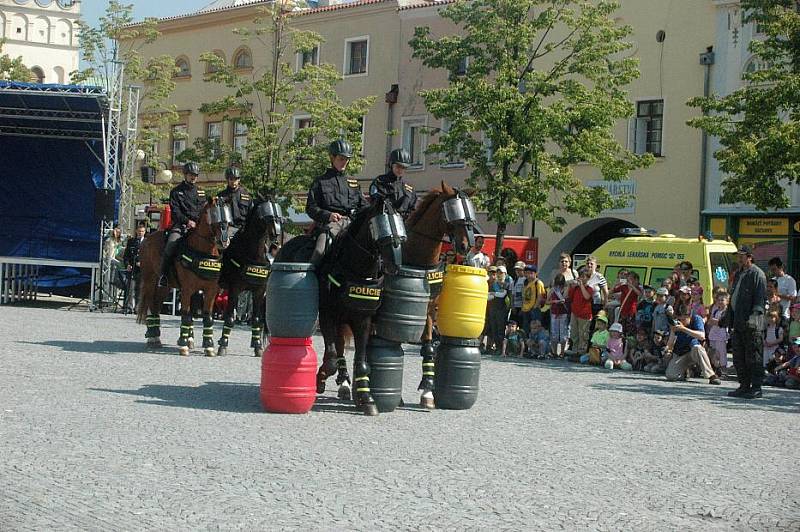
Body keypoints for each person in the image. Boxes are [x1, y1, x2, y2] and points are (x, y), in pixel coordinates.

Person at [306, 139, 366, 265]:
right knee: (320, 250)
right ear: (332, 157)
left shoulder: (353, 183)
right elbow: (311, 207)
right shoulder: (320, 181)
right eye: (341, 158)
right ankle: (310, 275)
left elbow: (364, 206)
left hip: (353, 223)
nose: (344, 162)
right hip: (330, 225)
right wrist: (328, 215)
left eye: (346, 159)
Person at [727, 245, 767, 399]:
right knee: (739, 356)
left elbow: (760, 299)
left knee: (754, 356)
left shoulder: (757, 274)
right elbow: (734, 296)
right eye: (738, 255)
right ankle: (744, 385)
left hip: (752, 323)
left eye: (742, 255)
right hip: (738, 321)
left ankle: (756, 387)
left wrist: (753, 318)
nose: (739, 258)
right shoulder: (739, 273)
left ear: (749, 256)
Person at [158, 162, 206, 287]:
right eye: (191, 175)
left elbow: (204, 211)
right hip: (182, 225)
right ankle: (163, 275)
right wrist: (187, 221)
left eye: (195, 175)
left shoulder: (202, 192)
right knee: (171, 244)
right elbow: (175, 212)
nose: (193, 177)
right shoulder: (176, 191)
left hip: (198, 226)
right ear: (185, 175)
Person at [663, 307, 722, 385]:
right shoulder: (675, 323)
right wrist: (667, 350)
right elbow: (671, 341)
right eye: (679, 319)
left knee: (697, 348)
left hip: (695, 351)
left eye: (684, 320)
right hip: (681, 353)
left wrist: (683, 329)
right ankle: (686, 372)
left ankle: (712, 376)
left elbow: (702, 336)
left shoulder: (696, 319)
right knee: (670, 376)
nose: (681, 322)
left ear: (689, 317)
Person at [369, 148, 417, 218]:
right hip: (384, 221)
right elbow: (375, 203)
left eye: (403, 168)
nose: (400, 170)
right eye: (398, 166)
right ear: (391, 165)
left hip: (404, 224)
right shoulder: (380, 182)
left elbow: (413, 209)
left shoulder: (409, 189)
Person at [216, 166, 252, 235]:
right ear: (227, 180)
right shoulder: (221, 196)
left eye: (235, 179)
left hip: (244, 230)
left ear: (239, 180)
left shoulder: (247, 195)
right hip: (228, 231)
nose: (233, 182)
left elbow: (251, 214)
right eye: (231, 179)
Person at [567, 268, 594, 358]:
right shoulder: (576, 288)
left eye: (583, 277)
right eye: (580, 276)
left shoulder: (589, 288)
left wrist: (581, 285)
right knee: (574, 333)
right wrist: (571, 286)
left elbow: (586, 297)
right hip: (575, 313)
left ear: (588, 278)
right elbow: (569, 297)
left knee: (583, 334)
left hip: (584, 315)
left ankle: (581, 352)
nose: (581, 278)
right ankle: (575, 351)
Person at [122, 223, 147, 312]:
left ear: (145, 232)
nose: (141, 233)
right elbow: (126, 256)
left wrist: (143, 263)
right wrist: (127, 264)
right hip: (132, 269)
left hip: (142, 270)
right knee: (130, 289)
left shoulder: (148, 242)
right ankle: (128, 307)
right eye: (139, 231)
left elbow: (150, 257)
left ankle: (138, 308)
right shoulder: (131, 241)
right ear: (136, 231)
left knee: (140, 289)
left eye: (142, 231)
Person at [706, 290, 730, 372]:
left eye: (722, 300)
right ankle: (715, 366)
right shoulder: (716, 310)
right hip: (714, 333)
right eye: (718, 300)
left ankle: (723, 367)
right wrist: (713, 321)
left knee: (721, 352)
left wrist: (715, 321)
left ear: (727, 301)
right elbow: (710, 321)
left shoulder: (726, 312)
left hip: (721, 335)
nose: (720, 302)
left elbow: (722, 323)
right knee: (713, 351)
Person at [768, 257, 796, 322]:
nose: (772, 272)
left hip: (784, 315)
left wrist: (777, 294)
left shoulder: (790, 280)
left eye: (774, 269)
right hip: (772, 314)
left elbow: (793, 298)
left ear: (781, 267)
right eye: (771, 270)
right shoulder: (772, 280)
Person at [548, 273, 569, 357]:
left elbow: (566, 298)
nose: (559, 286)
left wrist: (562, 299)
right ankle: (555, 352)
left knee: (563, 333)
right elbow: (547, 301)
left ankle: (562, 352)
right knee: (554, 333)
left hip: (563, 312)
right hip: (554, 312)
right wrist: (554, 302)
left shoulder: (566, 289)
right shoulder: (553, 289)